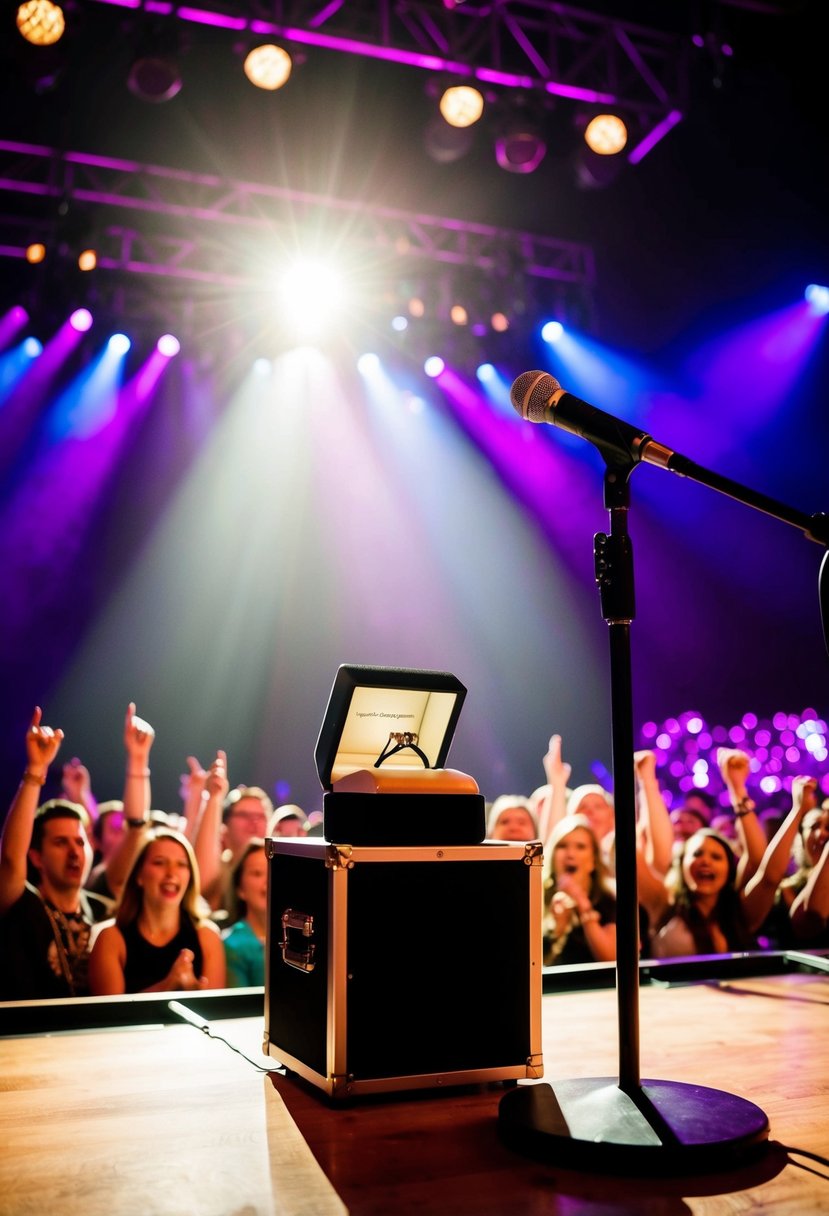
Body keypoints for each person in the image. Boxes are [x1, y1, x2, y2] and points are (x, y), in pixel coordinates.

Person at [0, 708, 110, 999]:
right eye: (61, 843)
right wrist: (36, 772)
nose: (75, 852)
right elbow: (11, 859)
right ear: (36, 857)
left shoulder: (106, 912)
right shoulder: (22, 905)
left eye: (80, 842)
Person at [89, 828, 225, 994]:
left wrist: (195, 994)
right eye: (159, 862)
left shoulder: (208, 937)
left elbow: (215, 1014)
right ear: (139, 875)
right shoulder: (111, 939)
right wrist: (167, 985)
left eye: (181, 864)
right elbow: (109, 1016)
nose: (171, 873)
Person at [542, 814, 617, 966]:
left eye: (580, 847)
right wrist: (557, 931)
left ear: (593, 861)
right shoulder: (536, 899)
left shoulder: (609, 902)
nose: (570, 854)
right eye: (562, 846)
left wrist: (582, 904)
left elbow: (611, 958)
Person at [222, 838, 268, 987]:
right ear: (240, 889)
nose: (268, 880)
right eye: (257, 873)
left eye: (273, 871)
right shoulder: (232, 945)